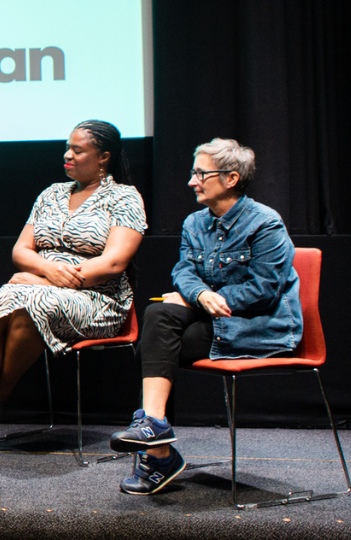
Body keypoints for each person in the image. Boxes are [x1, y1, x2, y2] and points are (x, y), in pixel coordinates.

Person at [109, 138, 300, 495]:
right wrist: (199, 293)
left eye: (200, 173)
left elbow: (264, 291)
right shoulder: (195, 222)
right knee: (157, 315)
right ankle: (155, 430)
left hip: (259, 327)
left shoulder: (265, 224)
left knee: (153, 346)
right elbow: (184, 270)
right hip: (214, 321)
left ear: (230, 178)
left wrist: (201, 300)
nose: (191, 181)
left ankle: (158, 453)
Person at [0, 120, 146, 465]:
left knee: (33, 302)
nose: (67, 155)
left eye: (77, 150)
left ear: (103, 157)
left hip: (98, 299)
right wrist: (45, 270)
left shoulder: (124, 197)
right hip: (39, 286)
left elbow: (114, 263)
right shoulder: (52, 193)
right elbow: (21, 251)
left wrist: (42, 281)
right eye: (67, 147)